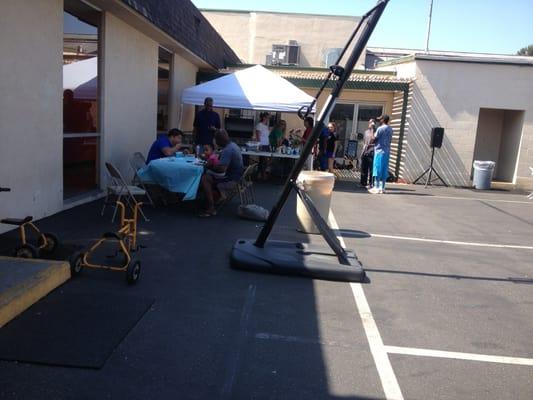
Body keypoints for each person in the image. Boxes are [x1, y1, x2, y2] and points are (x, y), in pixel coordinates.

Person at [199, 129, 244, 217]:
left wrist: (209, 166)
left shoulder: (227, 150)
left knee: (205, 178)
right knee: (209, 175)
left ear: (219, 141)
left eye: (215, 140)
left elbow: (221, 169)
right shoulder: (233, 145)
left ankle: (211, 208)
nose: (214, 142)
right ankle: (213, 199)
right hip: (238, 176)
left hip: (231, 179)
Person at [370, 115, 393, 194]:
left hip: (379, 151)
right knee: (384, 169)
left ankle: (376, 187)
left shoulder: (380, 128)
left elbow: (373, 139)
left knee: (377, 169)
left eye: (380, 119)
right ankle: (382, 187)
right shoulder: (390, 129)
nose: (379, 121)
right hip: (386, 151)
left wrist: (373, 128)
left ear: (383, 120)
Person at [360, 119, 376, 188]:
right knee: (364, 168)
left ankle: (371, 183)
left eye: (372, 123)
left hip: (372, 151)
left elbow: (373, 138)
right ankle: (363, 183)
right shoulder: (366, 132)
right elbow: (364, 142)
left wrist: (372, 129)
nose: (371, 124)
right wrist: (362, 152)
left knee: (371, 169)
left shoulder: (376, 131)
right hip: (365, 152)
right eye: (370, 122)